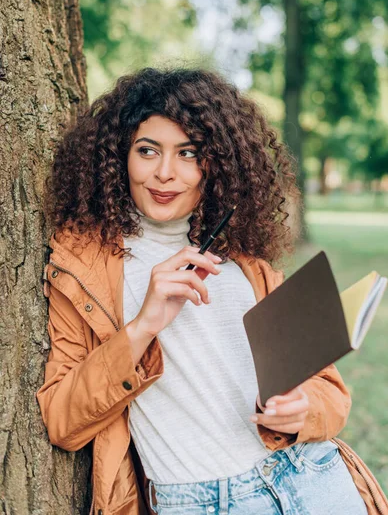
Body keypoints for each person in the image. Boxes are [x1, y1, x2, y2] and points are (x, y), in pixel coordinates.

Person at [37, 68, 368, 515]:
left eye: (188, 153)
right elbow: (61, 419)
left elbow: (330, 392)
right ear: (119, 157)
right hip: (202, 501)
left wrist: (302, 410)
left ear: (214, 163)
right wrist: (142, 326)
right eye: (147, 151)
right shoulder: (84, 266)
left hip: (312, 476)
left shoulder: (246, 259)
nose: (165, 173)